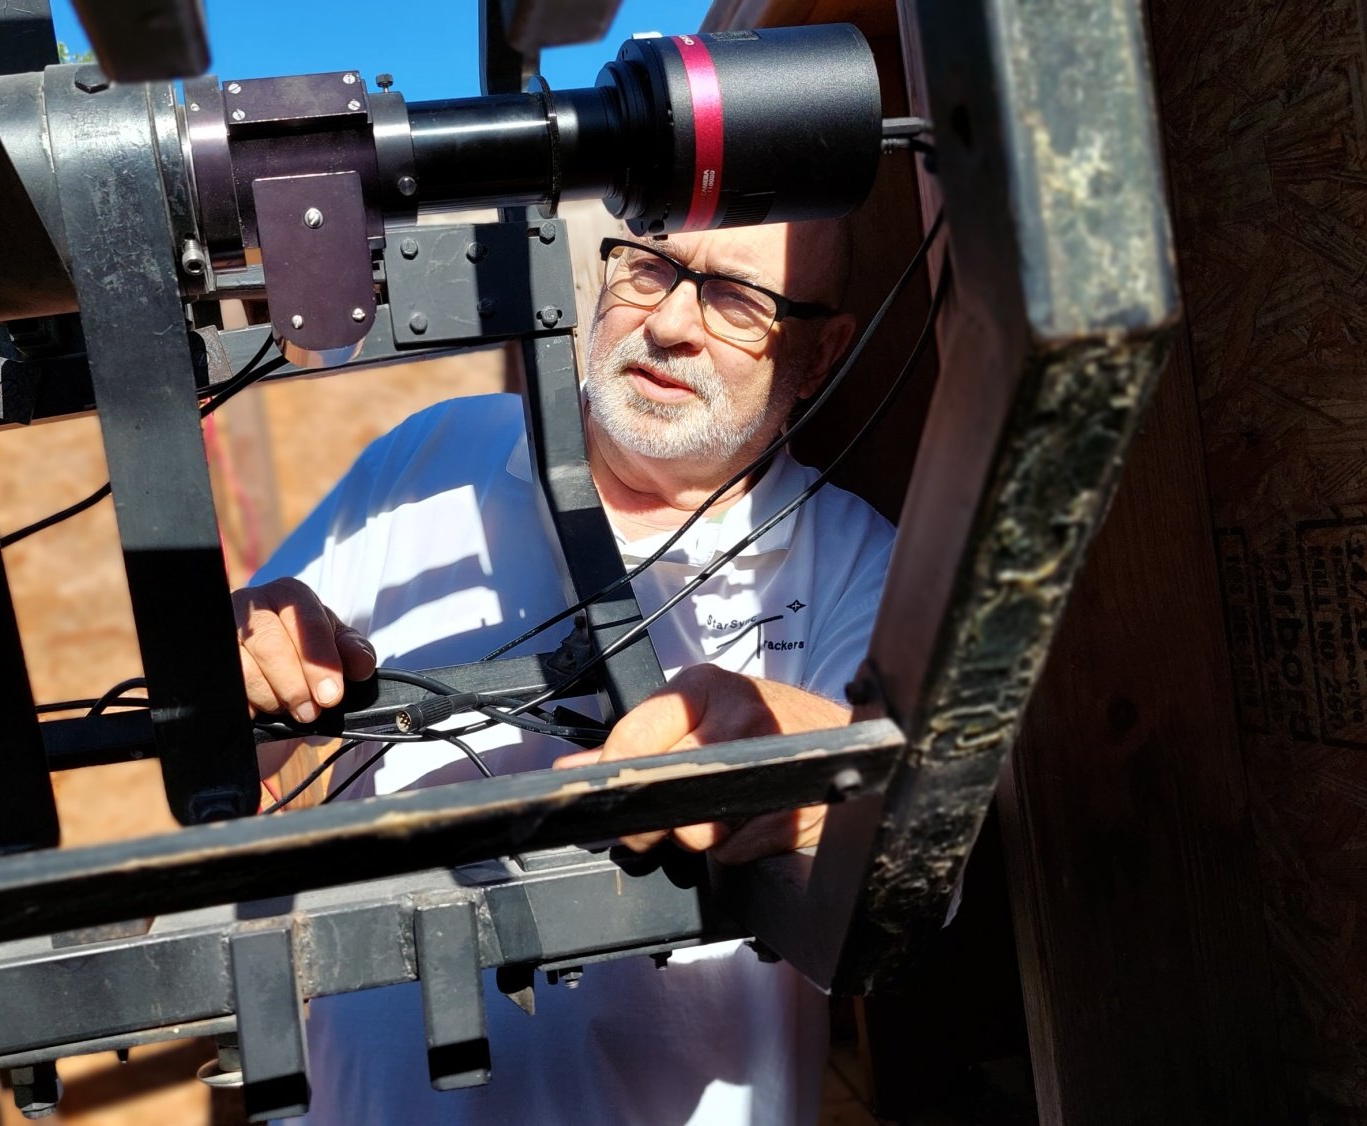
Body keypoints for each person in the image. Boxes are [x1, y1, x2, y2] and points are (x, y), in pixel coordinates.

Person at [233, 215, 895, 1124]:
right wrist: (247, 662)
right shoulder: (432, 455)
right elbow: (235, 759)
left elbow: (905, 855)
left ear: (819, 356)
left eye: (740, 300)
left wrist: (808, 768)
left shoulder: (859, 559)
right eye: (652, 269)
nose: (670, 323)